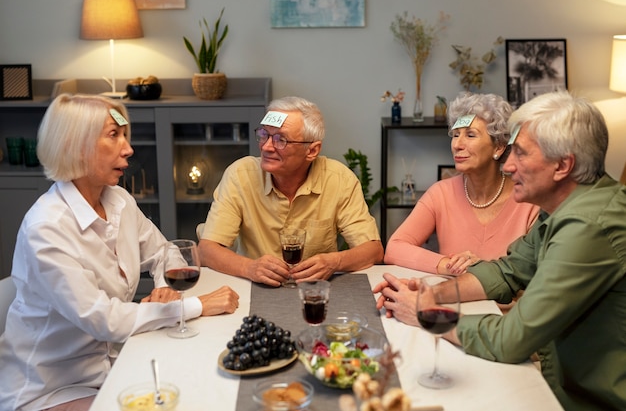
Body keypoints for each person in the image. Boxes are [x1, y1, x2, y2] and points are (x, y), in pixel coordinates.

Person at [374, 91, 626, 411]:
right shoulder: (563, 208)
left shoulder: (589, 227)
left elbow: (512, 339)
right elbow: (507, 270)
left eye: (520, 153)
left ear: (563, 165)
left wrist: (427, 315)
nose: (508, 165)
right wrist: (431, 294)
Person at [0, 94, 240, 411]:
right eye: (114, 135)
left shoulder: (119, 201)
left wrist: (166, 288)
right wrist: (196, 305)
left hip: (115, 364)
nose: (128, 148)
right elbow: (104, 320)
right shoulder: (46, 230)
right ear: (75, 145)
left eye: (125, 135)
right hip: (51, 389)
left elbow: (164, 252)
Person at [198, 96, 384, 287]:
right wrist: (250, 267)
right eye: (264, 135)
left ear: (312, 151)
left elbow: (373, 251)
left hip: (315, 290)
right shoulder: (240, 175)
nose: (266, 147)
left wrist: (334, 262)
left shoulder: (339, 179)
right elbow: (207, 250)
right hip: (252, 288)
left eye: (281, 139)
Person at [384, 92, 539, 275]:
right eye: (456, 135)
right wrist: (449, 266)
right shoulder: (440, 194)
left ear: (498, 146)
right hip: (454, 301)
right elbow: (394, 248)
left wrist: (482, 271)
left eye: (470, 135)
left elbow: (538, 276)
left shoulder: (529, 201)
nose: (457, 144)